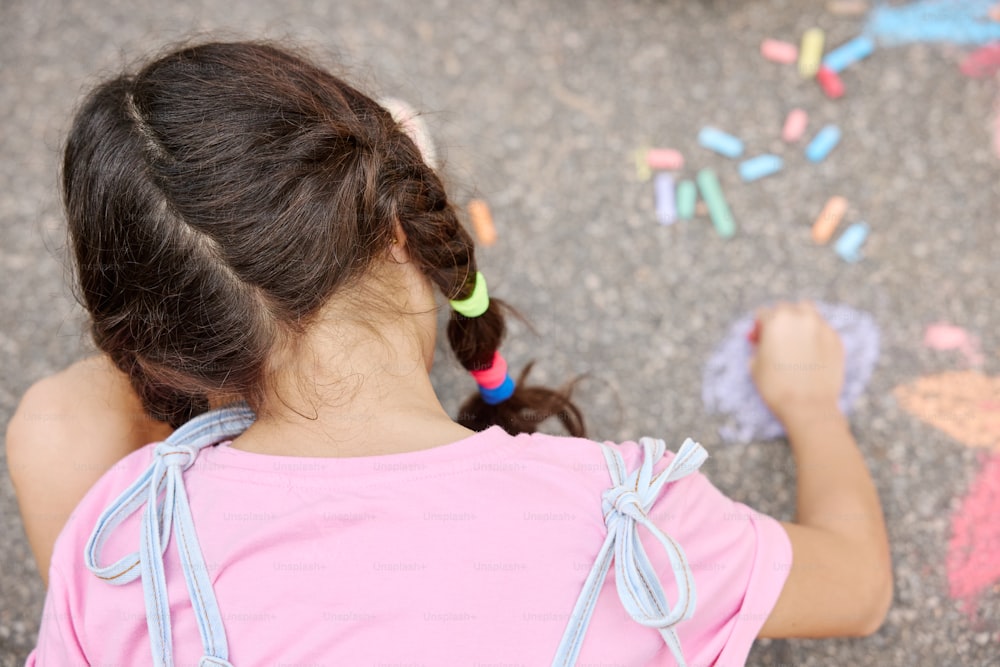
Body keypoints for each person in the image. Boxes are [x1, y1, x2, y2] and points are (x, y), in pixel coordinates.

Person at [6, 40, 891, 666]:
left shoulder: (121, 539)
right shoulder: (634, 521)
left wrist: (214, 294)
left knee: (56, 423)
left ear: (167, 359)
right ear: (404, 231)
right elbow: (859, 587)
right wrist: (811, 405)